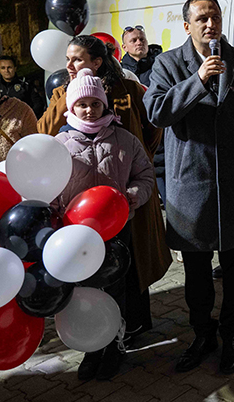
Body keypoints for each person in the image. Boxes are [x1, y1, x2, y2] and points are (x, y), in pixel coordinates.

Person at [144, 0, 234, 375]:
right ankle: (203, 334)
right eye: (201, 18)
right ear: (187, 26)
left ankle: (233, 334)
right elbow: (156, 111)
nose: (209, 23)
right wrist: (198, 80)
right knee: (197, 272)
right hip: (191, 188)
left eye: (214, 16)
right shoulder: (169, 64)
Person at [38, 35, 170, 346]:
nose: (69, 65)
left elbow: (152, 130)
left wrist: (133, 164)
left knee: (131, 260)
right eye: (67, 59)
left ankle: (134, 324)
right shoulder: (62, 93)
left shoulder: (128, 88)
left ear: (97, 62)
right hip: (81, 209)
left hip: (125, 194)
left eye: (77, 59)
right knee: (93, 270)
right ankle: (97, 332)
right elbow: (43, 134)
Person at [54, 68, 155, 380]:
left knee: (115, 288)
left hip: (116, 229)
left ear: (104, 104)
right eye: (82, 104)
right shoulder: (59, 143)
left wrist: (133, 196)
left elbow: (145, 175)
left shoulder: (124, 138)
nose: (89, 109)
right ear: (71, 107)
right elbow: (49, 187)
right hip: (75, 234)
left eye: (95, 103)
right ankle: (91, 347)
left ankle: (114, 345)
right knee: (83, 290)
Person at [119, 26, 167, 206]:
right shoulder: (120, 72)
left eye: (142, 39)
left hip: (161, 141)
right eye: (134, 40)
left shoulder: (161, 66)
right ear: (125, 46)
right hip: (135, 141)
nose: (139, 43)